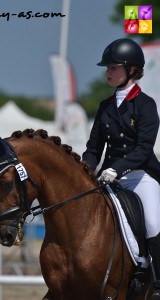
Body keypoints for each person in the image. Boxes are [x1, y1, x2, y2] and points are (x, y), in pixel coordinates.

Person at [82, 38, 160, 299]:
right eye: (107, 68)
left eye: (113, 68)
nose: (108, 72)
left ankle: (157, 281)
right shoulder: (105, 106)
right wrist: (86, 169)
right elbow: (93, 148)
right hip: (109, 178)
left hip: (140, 176)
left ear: (130, 69)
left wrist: (117, 169)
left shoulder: (146, 105)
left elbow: (143, 148)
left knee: (151, 222)